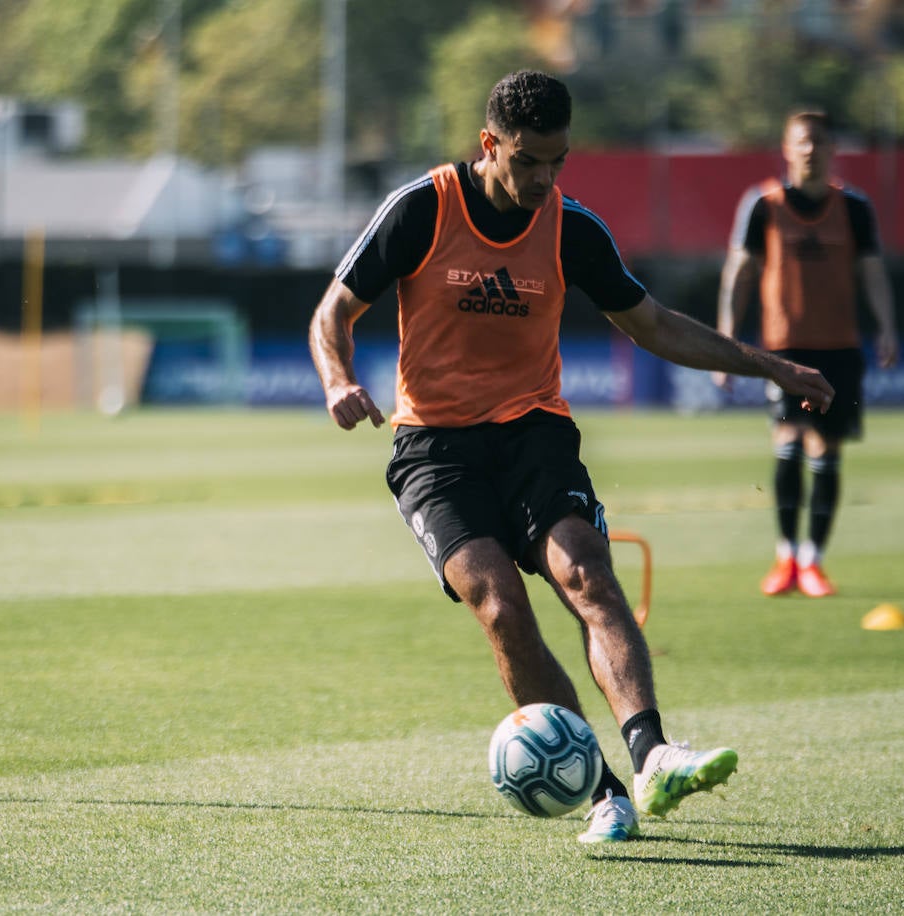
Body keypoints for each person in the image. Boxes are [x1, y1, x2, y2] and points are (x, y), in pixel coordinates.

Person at [308, 70, 835, 844]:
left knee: (586, 570)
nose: (543, 180)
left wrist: (771, 366)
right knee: (500, 606)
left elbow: (654, 324)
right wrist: (338, 380)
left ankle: (653, 756)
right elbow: (333, 313)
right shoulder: (422, 208)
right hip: (434, 449)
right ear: (490, 144)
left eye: (557, 162)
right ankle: (601, 791)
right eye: (528, 162)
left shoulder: (571, 227)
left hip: (534, 432)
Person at [717, 110, 899, 598]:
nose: (811, 149)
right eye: (802, 141)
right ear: (786, 148)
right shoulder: (763, 204)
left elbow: (873, 271)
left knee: (827, 447)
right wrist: (726, 338)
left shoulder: (854, 207)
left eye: (819, 141)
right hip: (784, 348)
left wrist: (887, 327)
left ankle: (812, 560)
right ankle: (784, 557)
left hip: (839, 347)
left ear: (833, 148)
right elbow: (740, 272)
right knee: (789, 439)